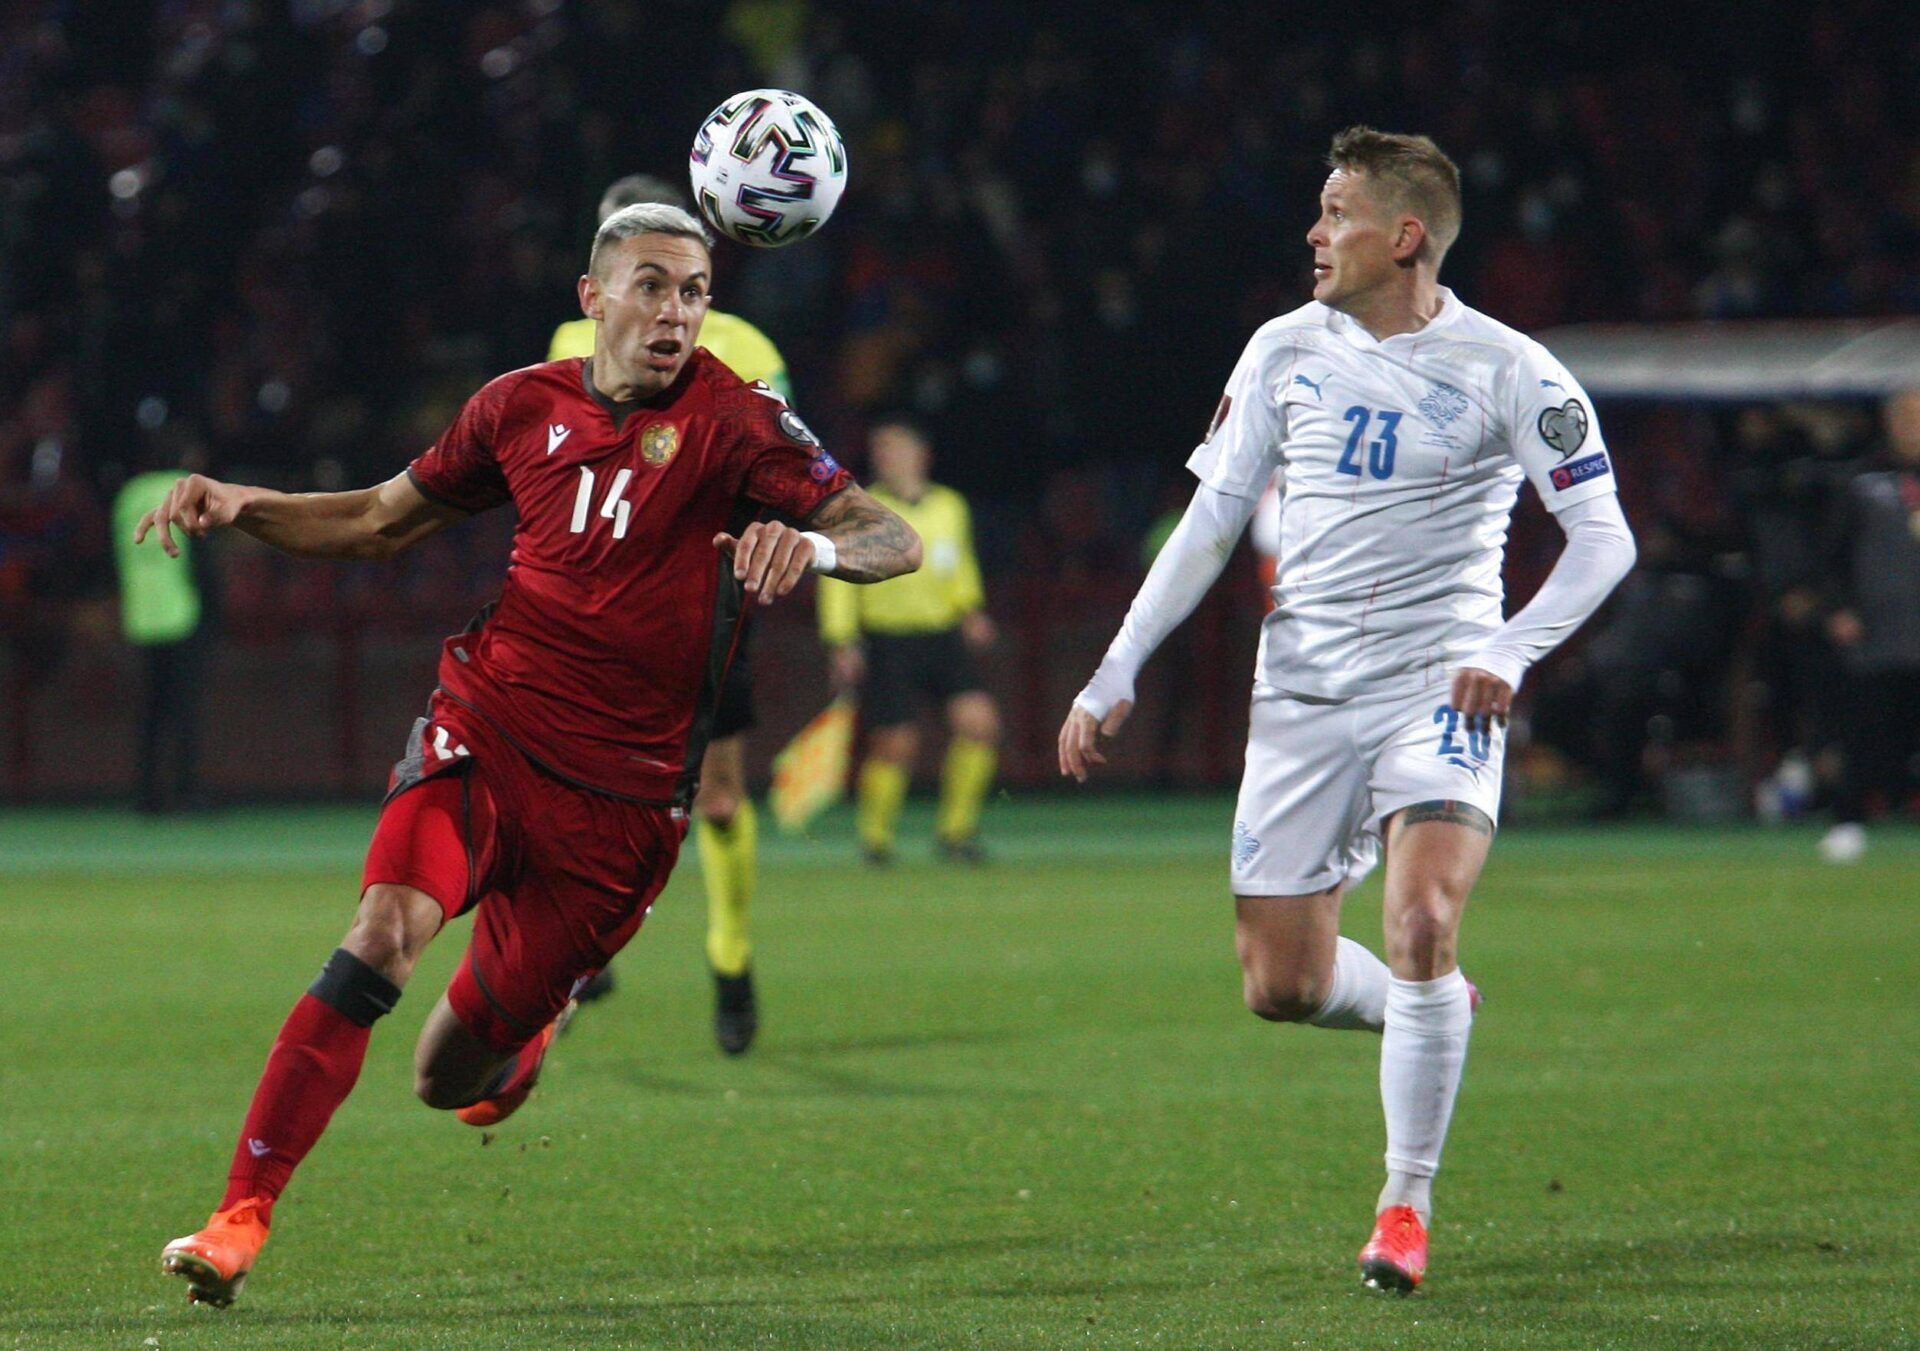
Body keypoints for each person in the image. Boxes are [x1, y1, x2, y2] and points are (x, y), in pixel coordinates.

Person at [138, 203, 921, 1308]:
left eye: (696, 291)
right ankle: (238, 1215)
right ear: (592, 297)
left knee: (444, 1077)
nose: (676, 312)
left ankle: (530, 1028)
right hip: (490, 729)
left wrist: (814, 543)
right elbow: (377, 520)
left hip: (622, 809)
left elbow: (898, 535)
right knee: (378, 938)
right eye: (652, 284)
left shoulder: (742, 425)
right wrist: (242, 504)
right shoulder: (518, 406)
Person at [1058, 127, 1636, 1294]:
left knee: (1422, 917)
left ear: (1404, 235)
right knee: (1283, 985)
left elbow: (1603, 537)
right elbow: (1212, 523)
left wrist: (1510, 650)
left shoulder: (1511, 369)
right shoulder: (1282, 350)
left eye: (1336, 213)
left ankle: (1403, 1206)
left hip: (1439, 691)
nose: (1314, 234)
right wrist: (1115, 668)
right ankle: (1433, 1010)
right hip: (1304, 700)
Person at [551, 174, 792, 1053]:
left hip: (710, 596)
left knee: (718, 796)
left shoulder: (741, 344)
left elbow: (784, 465)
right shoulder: (572, 341)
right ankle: (582, 949)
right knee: (579, 785)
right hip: (601, 599)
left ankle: (730, 956)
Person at [819, 419, 999, 863]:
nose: (888, 458)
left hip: (941, 634)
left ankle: (956, 833)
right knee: (896, 744)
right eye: (881, 451)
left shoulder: (950, 507)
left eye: (896, 449)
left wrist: (971, 610)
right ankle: (876, 840)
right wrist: (842, 640)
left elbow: (959, 565)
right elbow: (838, 577)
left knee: (980, 723)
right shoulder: (861, 509)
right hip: (888, 640)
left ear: (922, 456)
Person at [1817, 388, 1920, 862]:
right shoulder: (1860, 479)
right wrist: (1839, 608)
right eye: (1906, 418)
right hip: (1881, 630)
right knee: (1866, 730)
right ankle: (1848, 821)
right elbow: (1829, 554)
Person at [111, 435, 213, 813]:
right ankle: (186, 791)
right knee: (184, 709)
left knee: (150, 709)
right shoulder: (186, 488)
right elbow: (200, 555)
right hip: (180, 612)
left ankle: (146, 794)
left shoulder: (129, 493)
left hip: (141, 615)